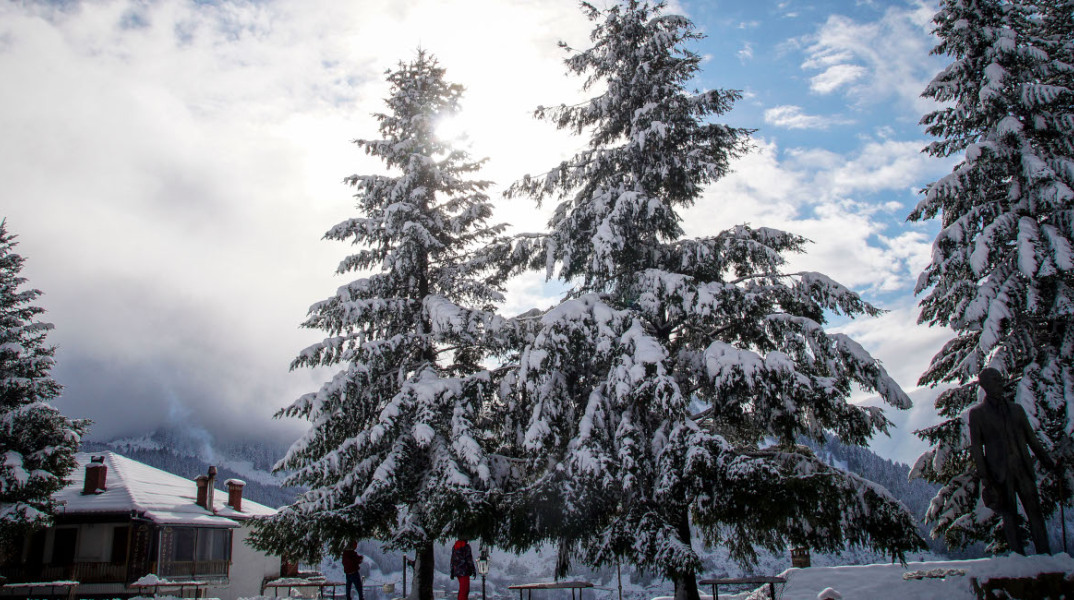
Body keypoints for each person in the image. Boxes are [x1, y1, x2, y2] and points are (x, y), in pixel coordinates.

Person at [968, 367, 1055, 554]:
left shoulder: (1017, 410)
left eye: (1000, 379)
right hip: (999, 472)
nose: (1000, 383)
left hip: (1023, 468)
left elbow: (1032, 439)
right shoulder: (978, 414)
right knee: (1010, 517)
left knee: (1035, 513)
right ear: (984, 385)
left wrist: (1047, 461)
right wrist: (984, 477)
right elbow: (977, 448)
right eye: (994, 380)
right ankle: (1018, 557)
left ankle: (1045, 553)